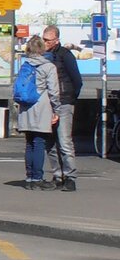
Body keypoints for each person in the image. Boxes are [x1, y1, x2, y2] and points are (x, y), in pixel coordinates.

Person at [42, 26, 83, 192]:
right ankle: (57, 175)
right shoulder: (44, 56)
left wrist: (70, 98)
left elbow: (77, 80)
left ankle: (70, 177)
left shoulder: (66, 55)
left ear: (56, 40)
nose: (44, 43)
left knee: (64, 141)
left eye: (47, 40)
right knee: (50, 142)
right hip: (48, 103)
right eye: (43, 39)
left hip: (64, 102)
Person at [16, 36, 60, 191]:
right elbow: (54, 92)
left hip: (26, 107)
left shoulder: (25, 65)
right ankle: (37, 178)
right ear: (42, 48)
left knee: (29, 143)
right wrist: (57, 110)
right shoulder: (49, 67)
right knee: (39, 143)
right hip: (41, 107)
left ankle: (29, 178)